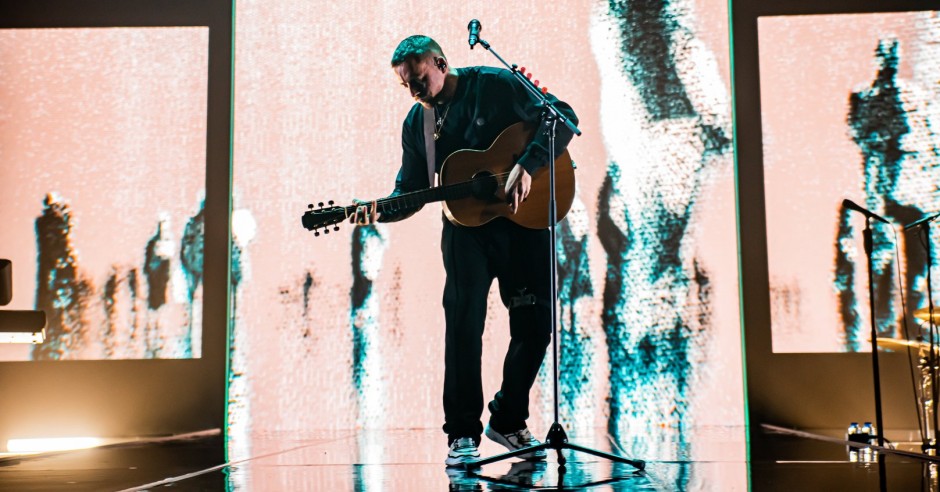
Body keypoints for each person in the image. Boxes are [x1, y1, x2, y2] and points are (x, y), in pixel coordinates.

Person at [352, 35, 578, 467]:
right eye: (407, 87)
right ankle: (461, 435)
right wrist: (376, 211)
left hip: (523, 224)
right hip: (466, 232)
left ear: (440, 62)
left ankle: (508, 419)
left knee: (536, 328)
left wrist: (527, 166)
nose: (416, 93)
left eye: (420, 80)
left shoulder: (497, 84)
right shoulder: (417, 124)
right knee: (462, 328)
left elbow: (564, 117)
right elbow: (412, 192)